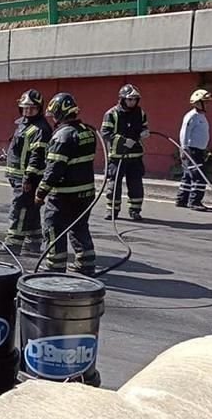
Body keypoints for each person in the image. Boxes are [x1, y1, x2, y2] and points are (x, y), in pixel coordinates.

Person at [35, 92, 97, 275]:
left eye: (54, 115)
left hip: (64, 194)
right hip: (86, 192)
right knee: (79, 226)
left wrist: (41, 192)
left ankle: (55, 267)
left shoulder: (62, 136)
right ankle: (86, 264)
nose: (53, 118)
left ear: (60, 114)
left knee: (54, 227)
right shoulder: (88, 132)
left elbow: (54, 169)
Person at [0, 89, 52, 255]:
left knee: (20, 210)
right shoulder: (24, 125)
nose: (27, 111)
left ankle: (13, 245)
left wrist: (28, 178)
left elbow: (37, 157)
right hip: (18, 177)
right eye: (24, 107)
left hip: (27, 179)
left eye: (31, 108)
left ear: (39, 108)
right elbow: (19, 150)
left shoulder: (40, 129)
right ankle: (34, 242)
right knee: (31, 210)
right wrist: (4, 158)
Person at [101, 83, 149, 220]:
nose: (132, 102)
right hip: (118, 156)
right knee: (114, 184)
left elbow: (144, 126)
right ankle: (112, 210)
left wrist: (145, 132)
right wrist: (122, 141)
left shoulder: (140, 113)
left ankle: (135, 210)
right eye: (129, 99)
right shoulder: (112, 114)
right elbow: (105, 133)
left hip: (135, 156)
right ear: (122, 99)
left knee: (136, 184)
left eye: (134, 99)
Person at [175, 89, 212, 211]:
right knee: (198, 176)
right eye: (205, 102)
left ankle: (182, 199)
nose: (207, 105)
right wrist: (184, 148)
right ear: (197, 103)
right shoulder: (192, 116)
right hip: (192, 150)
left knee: (188, 175)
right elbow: (184, 132)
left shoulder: (201, 116)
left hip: (199, 150)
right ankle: (195, 201)